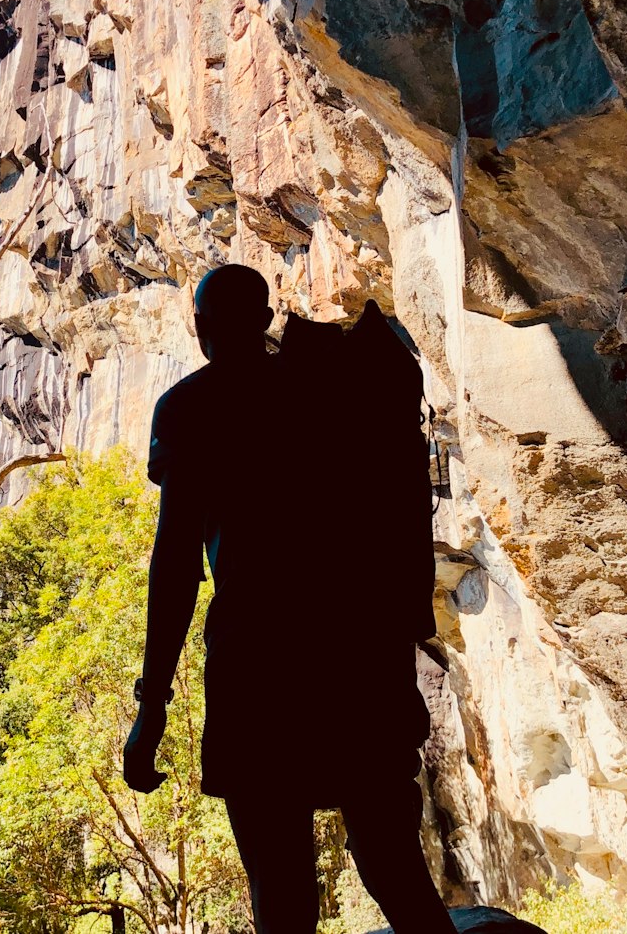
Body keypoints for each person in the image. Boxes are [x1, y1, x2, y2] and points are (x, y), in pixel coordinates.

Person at [123, 263, 457, 933]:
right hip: (359, 659)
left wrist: (153, 702)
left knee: (281, 893)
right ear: (266, 316)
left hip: (257, 668)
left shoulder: (191, 408)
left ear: (203, 329)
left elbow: (177, 562)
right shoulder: (326, 390)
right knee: (395, 866)